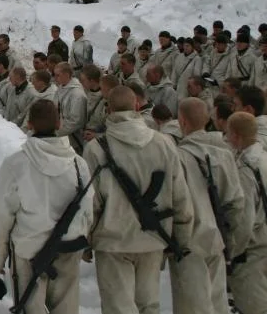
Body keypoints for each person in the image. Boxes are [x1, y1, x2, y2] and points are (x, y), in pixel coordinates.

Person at [82, 86, 193, 314]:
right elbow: (180, 196)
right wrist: (181, 237)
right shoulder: (164, 143)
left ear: (108, 109)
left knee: (117, 307)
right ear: (136, 106)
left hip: (112, 239)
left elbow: (91, 203)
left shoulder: (96, 149)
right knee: (149, 305)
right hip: (153, 237)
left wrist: (86, 238)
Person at [0, 99, 94, 314]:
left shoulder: (16, 164)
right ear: (59, 123)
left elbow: (2, 218)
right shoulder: (78, 164)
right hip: (68, 247)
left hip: (29, 249)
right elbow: (87, 211)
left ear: (29, 125)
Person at [174, 97, 249, 314]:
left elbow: (177, 204)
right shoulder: (226, 155)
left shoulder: (178, 156)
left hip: (189, 240)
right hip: (218, 238)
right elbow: (236, 203)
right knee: (217, 301)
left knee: (192, 304)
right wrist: (231, 238)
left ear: (182, 121)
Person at [225, 112, 267, 314]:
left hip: (254, 252)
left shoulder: (245, 170)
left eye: (228, 133)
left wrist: (233, 253)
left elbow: (244, 220)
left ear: (236, 136)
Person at [54, 62, 88, 154]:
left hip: (73, 140)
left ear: (67, 75)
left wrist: (56, 132)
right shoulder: (60, 88)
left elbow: (76, 121)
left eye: (58, 75)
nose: (55, 78)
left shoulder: (77, 94)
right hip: (62, 136)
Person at [80, 65, 107, 141]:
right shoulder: (85, 91)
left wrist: (97, 135)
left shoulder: (104, 98)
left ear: (91, 81)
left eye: (83, 80)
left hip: (96, 137)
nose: (81, 83)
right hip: (85, 133)